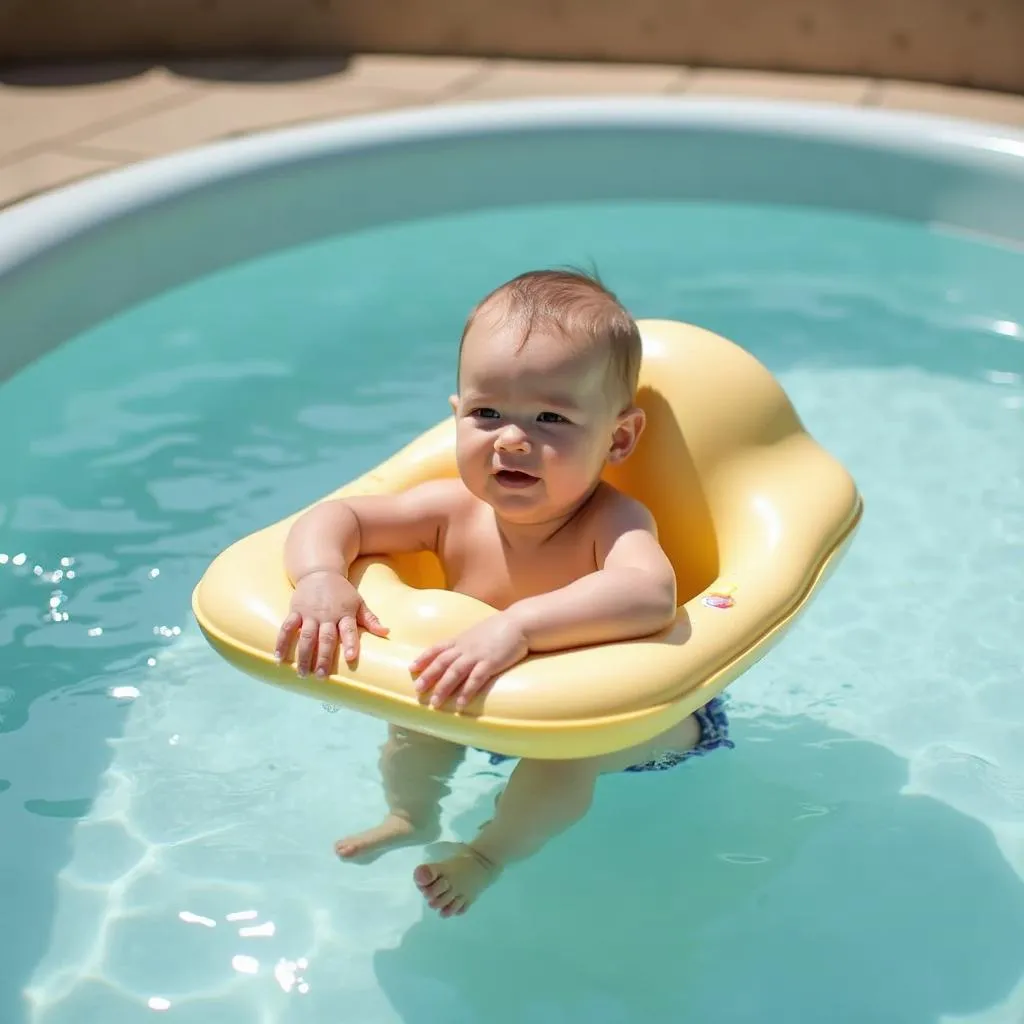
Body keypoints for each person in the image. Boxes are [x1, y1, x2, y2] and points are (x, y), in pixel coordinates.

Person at [274, 269, 732, 918]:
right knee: (412, 726)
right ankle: (411, 814)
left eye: (551, 417)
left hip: (636, 720)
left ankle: (488, 856)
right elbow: (336, 518)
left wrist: (519, 627)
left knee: (563, 758)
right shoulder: (449, 510)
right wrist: (321, 576)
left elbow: (650, 593)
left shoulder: (612, 522)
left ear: (618, 438)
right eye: (488, 413)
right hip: (496, 703)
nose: (513, 439)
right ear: (457, 414)